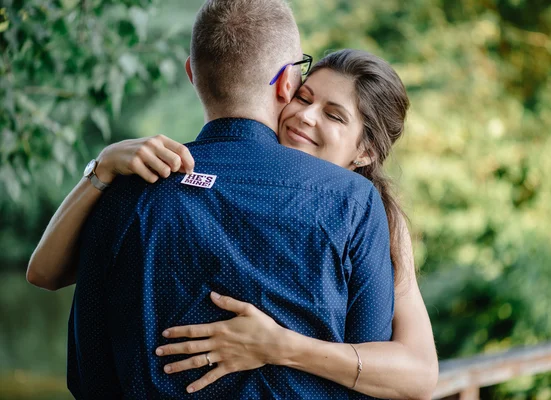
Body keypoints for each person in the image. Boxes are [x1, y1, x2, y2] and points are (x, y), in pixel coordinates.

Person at [28, 5, 437, 400]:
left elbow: (412, 374)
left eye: (334, 115)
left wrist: (281, 346)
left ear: (365, 152)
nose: (306, 116)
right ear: (286, 87)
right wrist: (100, 169)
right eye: (305, 97)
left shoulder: (369, 211)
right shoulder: (148, 173)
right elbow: (45, 272)